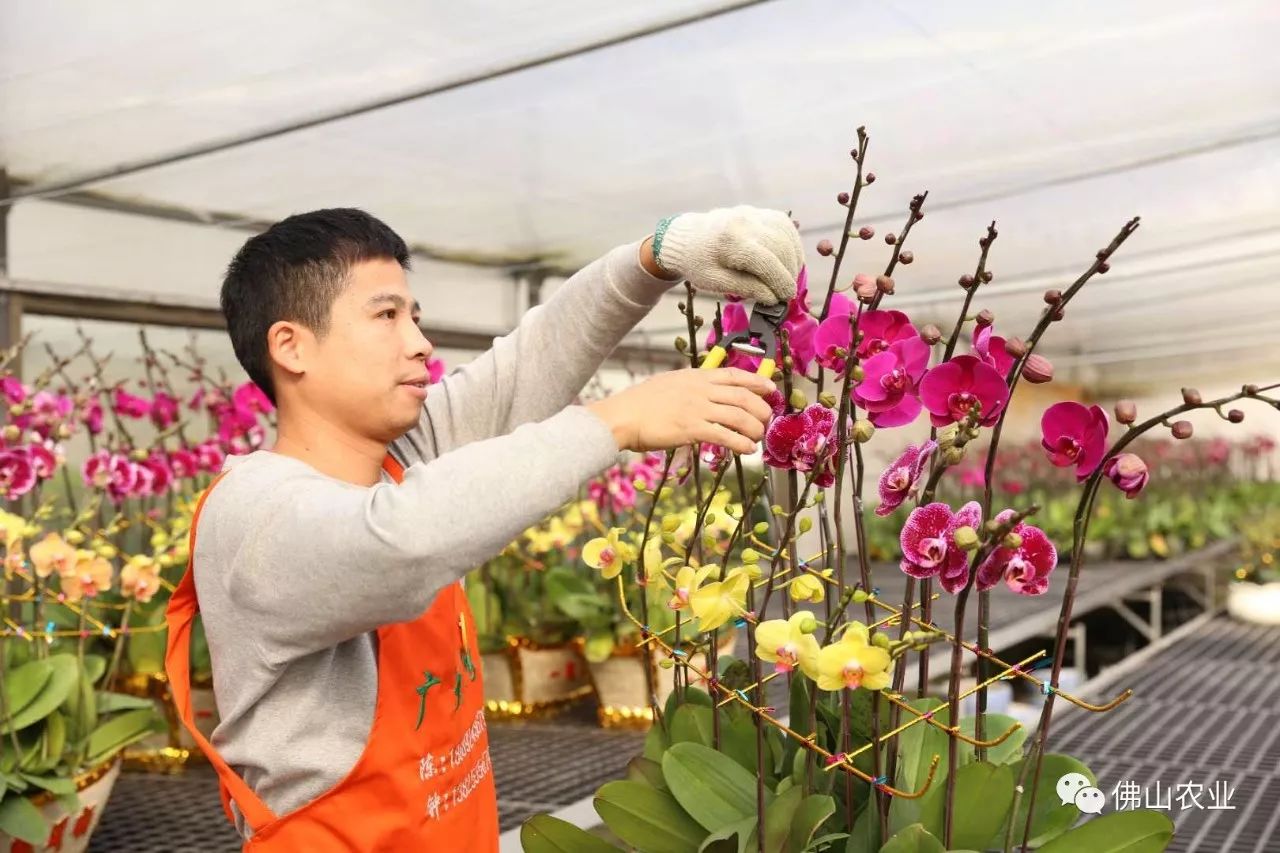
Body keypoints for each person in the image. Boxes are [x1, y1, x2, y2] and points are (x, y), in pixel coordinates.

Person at [164, 205, 804, 850]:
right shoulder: (256, 513)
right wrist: (616, 422)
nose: (419, 343)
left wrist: (657, 255)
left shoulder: (397, 457)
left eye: (414, 317)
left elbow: (529, 361)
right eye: (385, 316)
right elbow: (402, 544)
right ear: (291, 346)